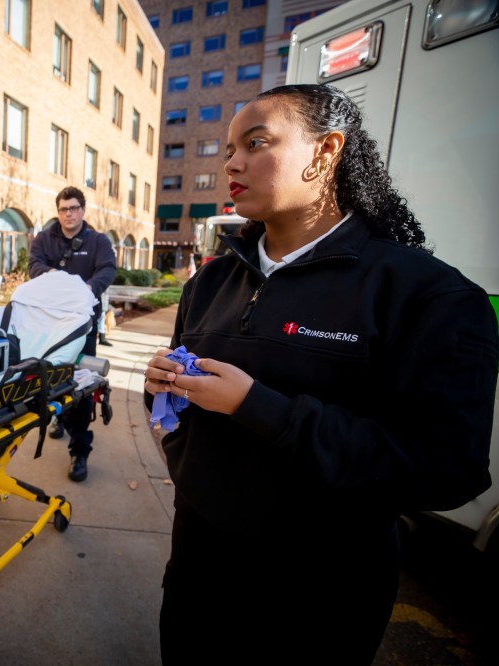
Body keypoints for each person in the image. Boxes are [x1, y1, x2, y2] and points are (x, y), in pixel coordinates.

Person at [144, 84, 497, 664]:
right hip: (197, 576)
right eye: (230, 147)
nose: (230, 162)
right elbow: (178, 406)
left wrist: (256, 406)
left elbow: (448, 469)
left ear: (326, 151)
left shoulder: (426, 294)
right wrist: (165, 400)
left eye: (255, 143)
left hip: (318, 602)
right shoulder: (209, 281)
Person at [29, 186, 116, 481]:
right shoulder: (44, 239)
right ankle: (57, 416)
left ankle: (79, 451)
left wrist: (85, 290)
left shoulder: (97, 241)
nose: (70, 214)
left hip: (82, 328)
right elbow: (34, 265)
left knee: (78, 386)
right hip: (50, 327)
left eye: (75, 208)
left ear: (83, 209)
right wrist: (54, 277)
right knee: (51, 377)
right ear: (58, 211)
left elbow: (107, 269)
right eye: (64, 209)